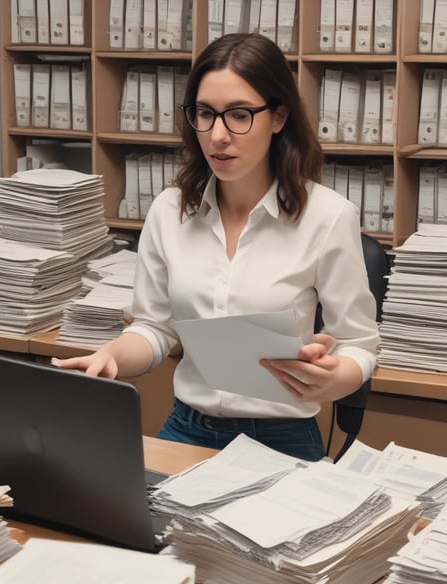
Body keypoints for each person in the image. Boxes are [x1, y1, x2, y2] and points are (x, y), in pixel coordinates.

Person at [52, 32, 379, 461]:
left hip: (282, 438)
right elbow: (154, 328)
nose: (218, 135)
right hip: (186, 427)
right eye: (205, 114)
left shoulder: (328, 216)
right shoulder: (170, 210)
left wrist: (336, 379)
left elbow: (358, 343)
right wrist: (112, 356)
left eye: (239, 115)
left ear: (278, 117)